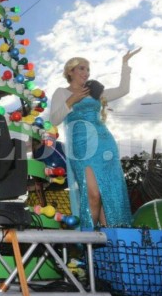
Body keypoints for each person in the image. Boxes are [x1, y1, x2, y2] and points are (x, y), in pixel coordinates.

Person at [49, 49, 141, 229]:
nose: (86, 73)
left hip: (104, 143)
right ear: (70, 71)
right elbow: (53, 120)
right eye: (81, 68)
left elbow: (124, 90)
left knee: (108, 192)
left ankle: (111, 243)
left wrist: (125, 64)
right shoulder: (61, 92)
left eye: (88, 70)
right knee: (93, 193)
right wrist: (71, 100)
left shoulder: (95, 92)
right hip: (81, 147)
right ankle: (88, 243)